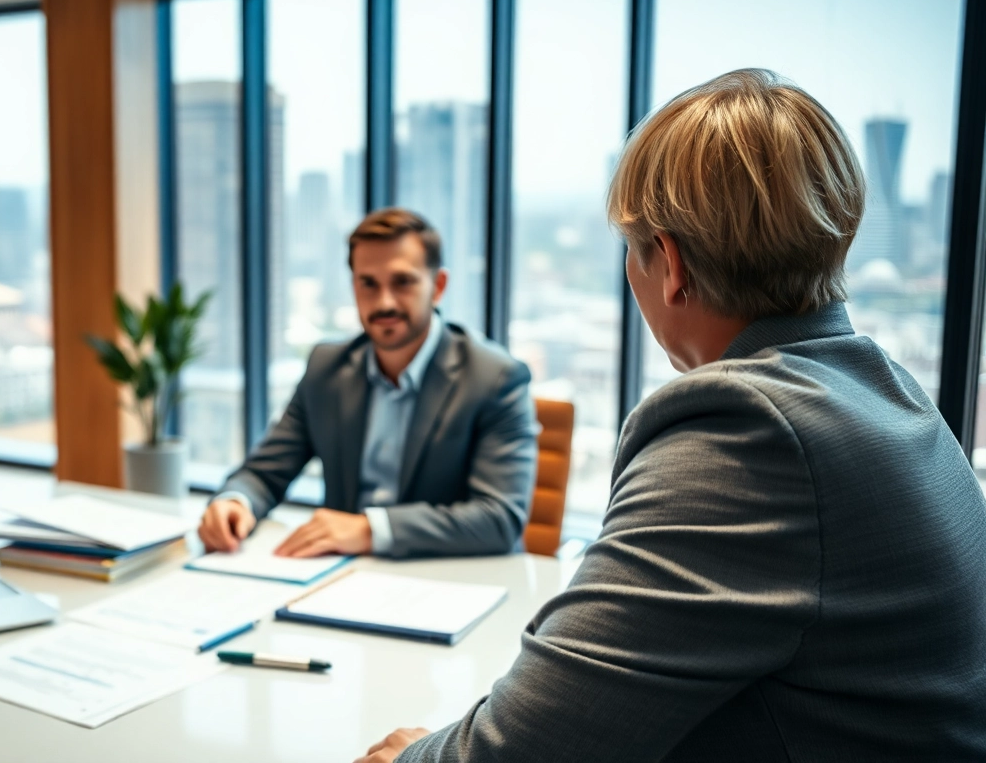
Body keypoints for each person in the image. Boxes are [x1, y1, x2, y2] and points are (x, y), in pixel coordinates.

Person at [360, 69, 986, 762]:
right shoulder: (882, 388)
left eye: (632, 247)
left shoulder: (747, 434)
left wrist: (412, 758)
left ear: (672, 263)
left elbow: (528, 750)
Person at [196, 207, 538, 559]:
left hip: (449, 583)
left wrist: (370, 530)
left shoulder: (495, 377)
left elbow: (499, 518)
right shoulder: (327, 368)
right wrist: (235, 501)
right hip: (339, 576)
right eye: (368, 284)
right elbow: (265, 473)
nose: (384, 302)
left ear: (438, 287)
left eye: (403, 282)